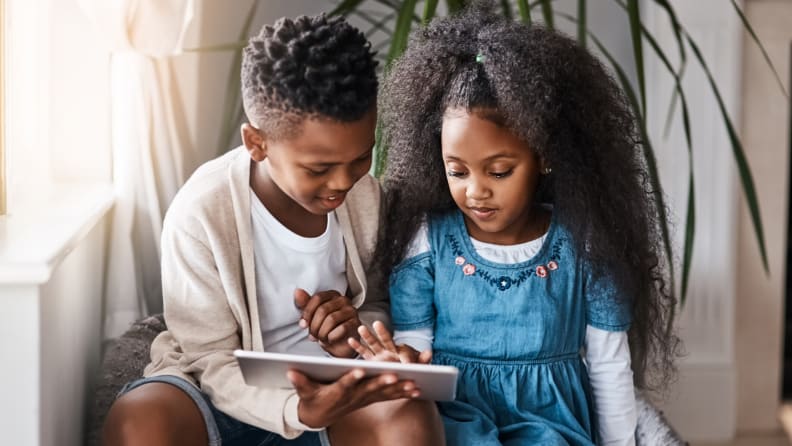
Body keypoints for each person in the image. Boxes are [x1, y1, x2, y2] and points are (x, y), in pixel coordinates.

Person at [101, 13, 444, 446]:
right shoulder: (200, 212)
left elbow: (376, 301)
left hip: (331, 395)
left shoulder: (366, 198)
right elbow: (208, 359)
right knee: (139, 422)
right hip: (218, 395)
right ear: (256, 143)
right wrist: (295, 410)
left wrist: (352, 334)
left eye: (361, 158)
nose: (343, 182)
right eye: (318, 168)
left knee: (408, 417)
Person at [350, 4, 680, 446]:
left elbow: (607, 363)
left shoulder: (585, 243)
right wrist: (401, 359)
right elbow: (416, 350)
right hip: (453, 417)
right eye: (457, 171)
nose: (476, 191)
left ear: (543, 157)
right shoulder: (428, 239)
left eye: (499, 171)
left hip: (550, 424)